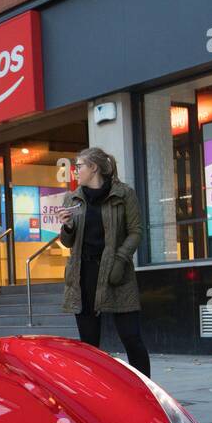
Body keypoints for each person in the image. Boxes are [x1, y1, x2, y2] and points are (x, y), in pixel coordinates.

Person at [56, 147, 151, 376]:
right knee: (88, 345)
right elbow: (68, 242)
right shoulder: (73, 197)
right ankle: (95, 394)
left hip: (116, 272)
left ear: (94, 167)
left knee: (131, 338)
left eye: (79, 166)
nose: (75, 171)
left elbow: (136, 231)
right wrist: (67, 226)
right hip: (83, 274)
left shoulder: (123, 194)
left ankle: (146, 391)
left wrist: (120, 258)